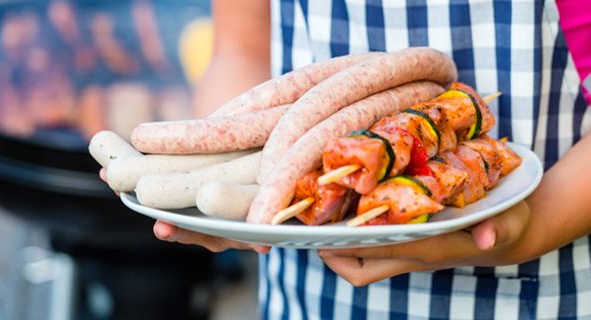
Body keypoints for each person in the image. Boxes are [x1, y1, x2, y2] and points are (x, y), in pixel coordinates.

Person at [108, 0, 591, 318]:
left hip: (536, 292)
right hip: (308, 287)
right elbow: (242, 44)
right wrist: (236, 201)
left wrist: (533, 228)